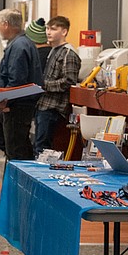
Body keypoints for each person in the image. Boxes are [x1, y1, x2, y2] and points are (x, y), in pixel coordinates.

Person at [0, 8, 43, 160]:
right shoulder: (24, 43)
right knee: (22, 147)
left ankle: (15, 183)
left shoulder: (18, 46)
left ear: (6, 24)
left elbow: (16, 80)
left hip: (16, 107)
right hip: (21, 105)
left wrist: (4, 101)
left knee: (15, 152)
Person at [34, 15, 81, 154]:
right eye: (47, 28)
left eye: (53, 29)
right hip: (43, 104)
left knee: (43, 148)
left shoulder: (68, 53)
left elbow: (69, 81)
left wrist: (44, 85)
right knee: (39, 145)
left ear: (64, 32)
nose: (48, 32)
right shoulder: (53, 50)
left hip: (54, 107)